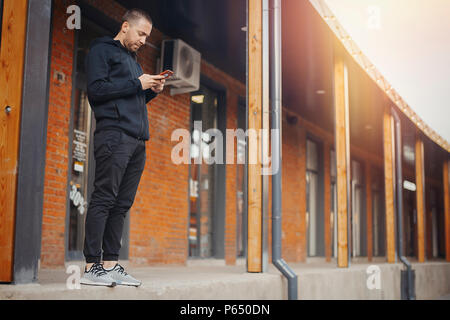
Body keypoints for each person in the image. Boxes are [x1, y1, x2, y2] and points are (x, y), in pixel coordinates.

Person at [80, 8, 165, 287]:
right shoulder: (101, 49)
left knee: (122, 204)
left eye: (147, 36)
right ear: (126, 26)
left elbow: (130, 100)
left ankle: (111, 264)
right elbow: (97, 91)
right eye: (141, 33)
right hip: (114, 136)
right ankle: (93, 266)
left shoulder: (134, 63)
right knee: (104, 197)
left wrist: (149, 91)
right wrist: (136, 83)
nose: (143, 40)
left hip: (138, 141)